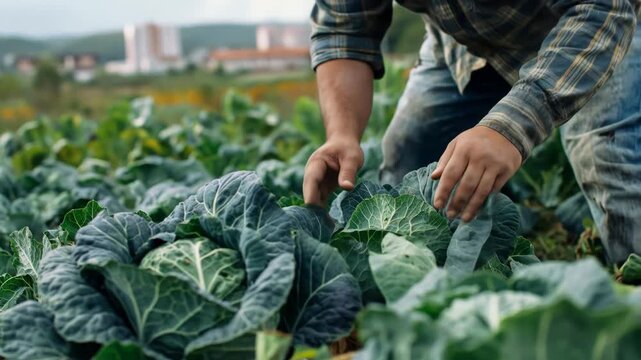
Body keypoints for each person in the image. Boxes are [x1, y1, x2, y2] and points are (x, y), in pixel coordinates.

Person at [302, 0, 641, 264]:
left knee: (613, 165)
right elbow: (344, 28)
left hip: (600, 29)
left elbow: (605, 7)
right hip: (467, 43)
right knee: (407, 175)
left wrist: (510, 128)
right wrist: (342, 135)